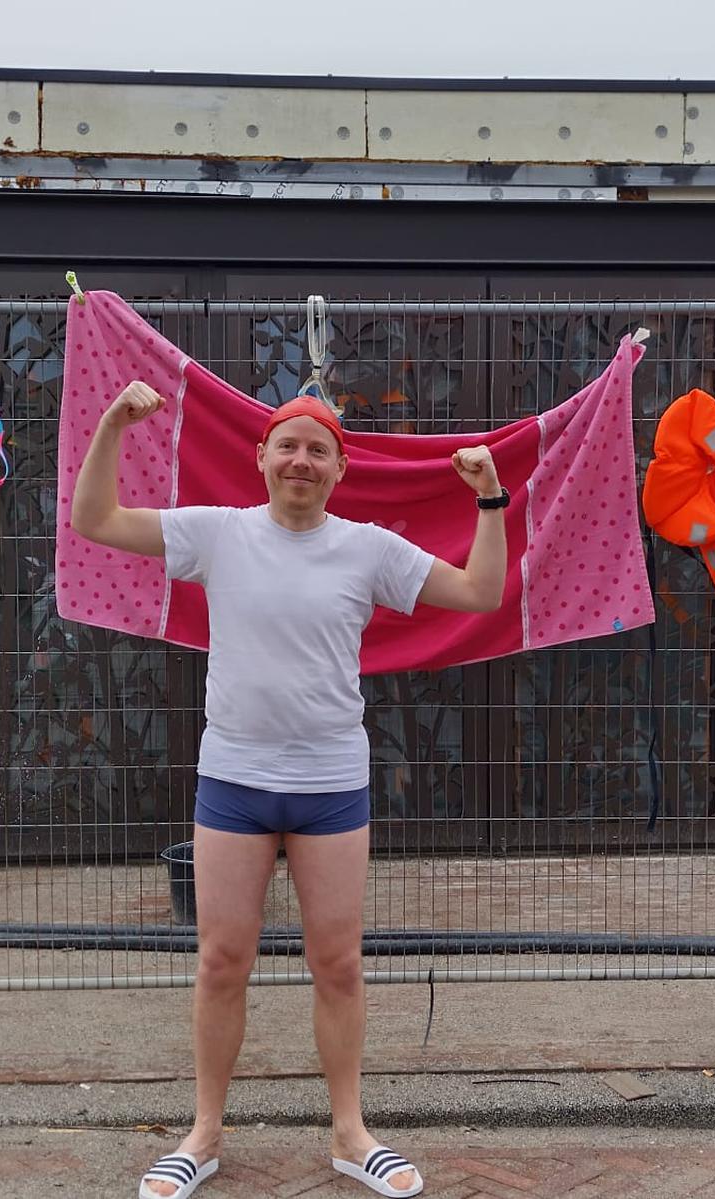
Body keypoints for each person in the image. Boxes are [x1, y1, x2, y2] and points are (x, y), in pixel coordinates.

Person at [70, 381, 510, 1199]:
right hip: (232, 782)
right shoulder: (217, 534)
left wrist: (490, 499)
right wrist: (112, 426)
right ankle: (202, 1134)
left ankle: (350, 1134)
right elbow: (94, 519)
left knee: (339, 965)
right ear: (261, 458)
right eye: (287, 445)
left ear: (341, 468)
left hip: (330, 786)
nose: (300, 459)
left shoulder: (369, 548)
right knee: (220, 962)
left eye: (318, 449)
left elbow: (481, 594)